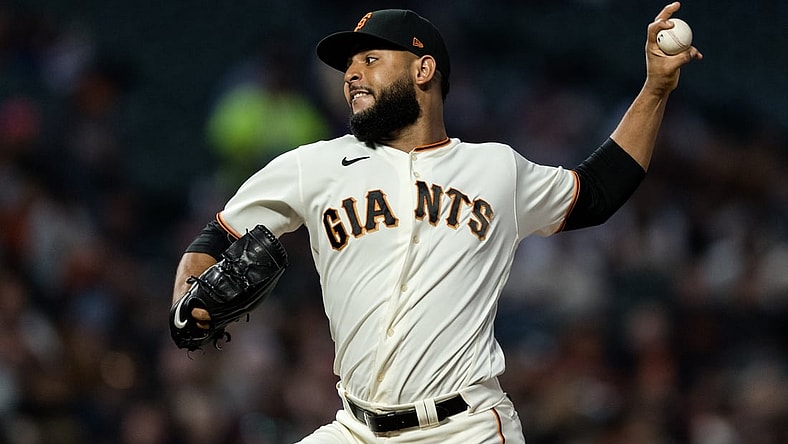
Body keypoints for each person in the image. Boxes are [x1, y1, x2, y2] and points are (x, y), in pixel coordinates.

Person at [171, 3, 702, 443]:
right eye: (349, 65)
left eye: (371, 59)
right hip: (353, 428)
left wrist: (655, 90)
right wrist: (185, 299)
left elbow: (597, 192)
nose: (352, 73)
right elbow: (214, 239)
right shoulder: (314, 165)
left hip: (464, 426)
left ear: (423, 69)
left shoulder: (495, 168)